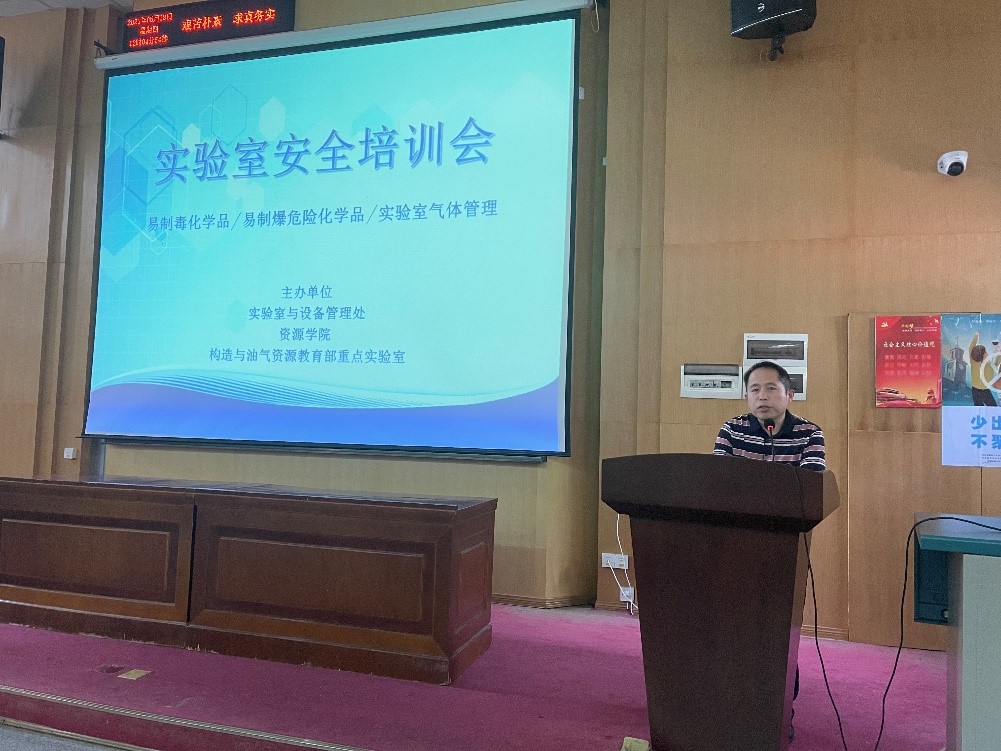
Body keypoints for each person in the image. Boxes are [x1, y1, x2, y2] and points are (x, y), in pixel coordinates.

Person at [713, 360, 826, 743]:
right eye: (755, 389)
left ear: (789, 394)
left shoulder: (810, 433)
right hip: (734, 547)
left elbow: (808, 487)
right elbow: (718, 483)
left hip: (784, 550)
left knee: (777, 634)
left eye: (771, 388)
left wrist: (754, 489)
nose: (762, 396)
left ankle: (779, 712)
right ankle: (730, 707)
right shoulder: (731, 430)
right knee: (733, 631)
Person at [968, 333, 1000, 407]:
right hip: (977, 390)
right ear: (981, 355)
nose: (987, 353)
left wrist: (976, 335)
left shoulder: (974, 361)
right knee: (981, 407)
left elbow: (971, 348)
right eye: (985, 352)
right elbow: (997, 362)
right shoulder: (977, 363)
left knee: (991, 408)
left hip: (981, 390)